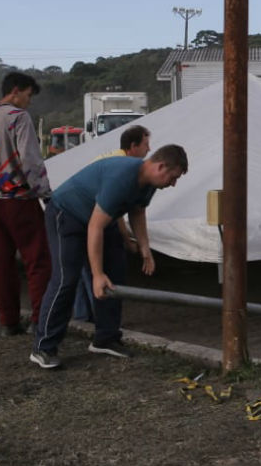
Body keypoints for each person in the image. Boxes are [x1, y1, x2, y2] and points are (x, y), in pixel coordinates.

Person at [30, 144, 188, 370]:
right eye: (173, 177)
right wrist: (97, 274)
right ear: (160, 166)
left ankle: (106, 338)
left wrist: (145, 249)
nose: (173, 184)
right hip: (66, 214)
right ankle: (43, 347)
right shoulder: (121, 178)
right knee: (66, 279)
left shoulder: (149, 183)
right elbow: (95, 227)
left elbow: (137, 211)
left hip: (102, 219)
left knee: (115, 273)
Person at [0, 72, 53, 337]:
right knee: (38, 261)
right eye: (28, 95)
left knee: (1, 262)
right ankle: (40, 320)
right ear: (15, 91)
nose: (28, 102)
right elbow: (30, 159)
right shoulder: (18, 117)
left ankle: (8, 322)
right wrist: (45, 193)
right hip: (20, 199)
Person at [72, 124, 152, 322]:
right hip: (87, 216)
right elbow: (113, 211)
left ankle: (84, 317)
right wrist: (126, 238)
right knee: (97, 268)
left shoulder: (114, 158)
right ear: (133, 146)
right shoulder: (123, 166)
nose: (149, 149)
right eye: (145, 145)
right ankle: (101, 318)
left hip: (80, 212)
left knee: (83, 269)